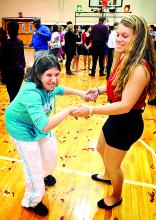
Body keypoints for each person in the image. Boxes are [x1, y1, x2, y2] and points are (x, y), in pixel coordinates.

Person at [71, 15, 156, 209]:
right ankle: (107, 175)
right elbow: (115, 84)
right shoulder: (124, 56)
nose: (118, 39)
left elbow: (125, 105)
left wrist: (90, 110)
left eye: (125, 36)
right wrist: (99, 90)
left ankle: (116, 195)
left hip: (127, 123)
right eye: (117, 34)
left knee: (114, 164)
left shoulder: (139, 68)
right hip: (116, 118)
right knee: (101, 148)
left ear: (138, 39)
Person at [5, 54, 87, 216]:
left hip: (38, 123)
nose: (54, 79)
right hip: (21, 128)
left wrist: (81, 93)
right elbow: (44, 126)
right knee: (33, 166)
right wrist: (69, 110)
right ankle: (31, 201)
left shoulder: (48, 85)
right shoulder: (31, 92)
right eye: (49, 75)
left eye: (56, 74)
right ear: (38, 75)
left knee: (51, 154)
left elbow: (60, 89)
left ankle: (44, 175)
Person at [1, 21, 26, 102]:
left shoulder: (5, 44)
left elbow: (3, 61)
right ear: (17, 30)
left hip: (9, 73)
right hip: (19, 72)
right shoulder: (20, 42)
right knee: (16, 93)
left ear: (8, 31)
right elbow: (22, 58)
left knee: (11, 94)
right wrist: (22, 69)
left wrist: (3, 75)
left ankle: (13, 109)